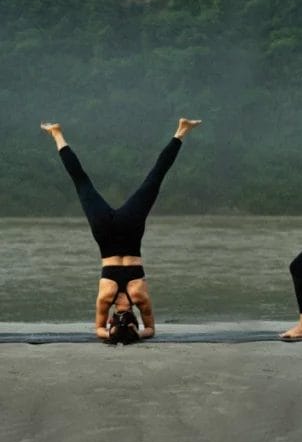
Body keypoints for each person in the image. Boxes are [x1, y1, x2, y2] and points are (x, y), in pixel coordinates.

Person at [41, 118, 202, 341]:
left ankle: (181, 130)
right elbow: (100, 330)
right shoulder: (108, 298)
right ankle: (57, 134)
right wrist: (112, 334)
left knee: (154, 179)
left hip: (127, 230)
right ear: (113, 320)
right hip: (109, 233)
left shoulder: (139, 296)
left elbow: (150, 329)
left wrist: (134, 332)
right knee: (82, 183)